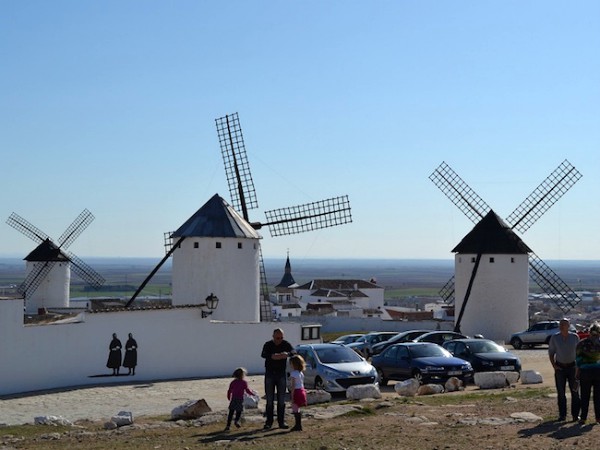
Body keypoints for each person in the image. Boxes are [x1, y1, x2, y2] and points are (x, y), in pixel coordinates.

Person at [261, 328, 294, 430]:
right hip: (270, 374)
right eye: (277, 338)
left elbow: (294, 351)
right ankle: (269, 422)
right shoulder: (268, 344)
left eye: (281, 338)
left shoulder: (286, 344)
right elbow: (263, 354)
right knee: (269, 400)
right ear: (273, 337)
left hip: (281, 374)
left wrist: (287, 354)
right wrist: (272, 356)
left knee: (281, 400)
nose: (279, 340)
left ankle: (281, 422)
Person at [548, 318, 581, 421]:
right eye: (561, 324)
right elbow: (551, 353)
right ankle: (562, 415)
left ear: (569, 326)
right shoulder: (555, 338)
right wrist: (554, 366)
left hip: (572, 367)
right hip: (560, 368)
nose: (562, 326)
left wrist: (578, 367)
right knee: (561, 393)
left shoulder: (575, 337)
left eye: (564, 324)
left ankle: (575, 415)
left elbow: (579, 353)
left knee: (575, 392)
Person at [575, 322, 600, 424]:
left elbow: (578, 360)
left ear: (589, 332)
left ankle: (583, 417)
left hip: (585, 372)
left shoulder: (581, 343)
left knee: (585, 395)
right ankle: (598, 417)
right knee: (598, 396)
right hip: (598, 372)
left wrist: (577, 373)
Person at [225, 367, 255, 431]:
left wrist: (228, 397)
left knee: (231, 411)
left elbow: (229, 390)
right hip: (240, 399)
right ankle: (236, 421)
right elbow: (247, 390)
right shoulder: (244, 382)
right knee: (239, 411)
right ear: (243, 375)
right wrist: (252, 394)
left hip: (233, 398)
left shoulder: (233, 382)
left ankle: (228, 425)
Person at [289, 355, 307, 432]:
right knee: (298, 408)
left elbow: (293, 385)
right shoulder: (300, 373)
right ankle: (298, 424)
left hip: (296, 391)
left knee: (295, 408)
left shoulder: (293, 373)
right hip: (301, 390)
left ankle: (298, 425)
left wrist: (292, 396)